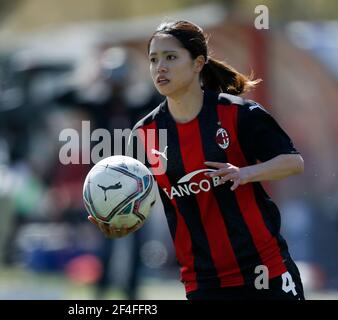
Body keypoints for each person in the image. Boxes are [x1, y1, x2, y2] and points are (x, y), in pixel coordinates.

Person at [88, 21, 306, 300]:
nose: (160, 67)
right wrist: (117, 222)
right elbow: (140, 197)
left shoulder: (238, 113)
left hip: (266, 272)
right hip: (203, 282)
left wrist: (246, 173)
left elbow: (293, 162)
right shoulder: (144, 134)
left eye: (170, 57)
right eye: (153, 59)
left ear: (197, 63)